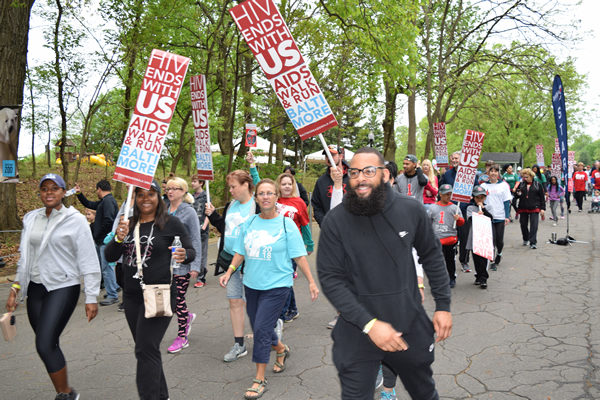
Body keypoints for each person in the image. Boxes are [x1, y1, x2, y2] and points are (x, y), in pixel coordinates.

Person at [317, 147, 452, 400]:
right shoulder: (335, 221)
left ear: (385, 174)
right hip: (356, 330)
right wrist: (370, 324)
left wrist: (443, 305)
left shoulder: (410, 210)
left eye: (369, 171)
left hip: (408, 325)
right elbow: (330, 278)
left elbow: (432, 256)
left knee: (424, 392)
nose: (360, 178)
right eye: (354, 172)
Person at [219, 179, 319, 399]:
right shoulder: (249, 223)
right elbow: (240, 252)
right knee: (261, 327)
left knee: (262, 330)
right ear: (256, 198)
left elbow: (299, 255)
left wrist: (311, 281)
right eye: (261, 193)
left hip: (278, 286)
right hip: (252, 285)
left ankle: (259, 379)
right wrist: (229, 271)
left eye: (270, 193)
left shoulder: (286, 224)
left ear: (276, 198)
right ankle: (281, 349)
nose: (265, 197)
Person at [6, 173, 100, 400]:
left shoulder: (75, 219)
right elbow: (26, 256)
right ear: (40, 192)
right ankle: (64, 390)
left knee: (45, 343)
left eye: (54, 188)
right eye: (44, 188)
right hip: (36, 288)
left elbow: (88, 257)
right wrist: (16, 286)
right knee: (47, 343)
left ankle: (66, 394)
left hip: (63, 286)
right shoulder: (31, 218)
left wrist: (91, 296)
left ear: (63, 192)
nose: (49, 192)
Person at [105, 179, 195, 400]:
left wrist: (184, 254)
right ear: (134, 198)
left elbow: (190, 251)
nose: (146, 199)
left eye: (151, 194)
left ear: (158, 198)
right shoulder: (128, 223)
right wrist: (118, 237)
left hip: (160, 294)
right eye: (140, 194)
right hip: (132, 297)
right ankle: (161, 395)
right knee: (147, 350)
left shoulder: (171, 223)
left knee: (144, 349)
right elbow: (109, 256)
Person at [206, 170, 257, 362]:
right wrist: (213, 216)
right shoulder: (231, 205)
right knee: (235, 301)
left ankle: (271, 331)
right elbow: (224, 229)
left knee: (256, 302)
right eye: (230, 186)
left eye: (233, 186)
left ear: (246, 185)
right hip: (230, 261)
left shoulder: (256, 206)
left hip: (252, 262)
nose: (231, 190)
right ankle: (239, 344)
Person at [164, 177, 203, 353]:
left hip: (182, 263)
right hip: (164, 264)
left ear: (183, 191)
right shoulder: (163, 209)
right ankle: (186, 317)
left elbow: (196, 238)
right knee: (170, 300)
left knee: (178, 299)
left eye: (175, 188)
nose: (170, 191)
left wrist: (195, 265)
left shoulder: (189, 212)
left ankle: (182, 336)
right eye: (168, 188)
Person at [274, 173, 314, 322]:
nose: (286, 186)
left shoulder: (299, 203)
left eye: (289, 184)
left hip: (291, 246)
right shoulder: (274, 199)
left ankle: (283, 314)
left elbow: (305, 224)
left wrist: (309, 244)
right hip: (276, 245)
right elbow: (260, 186)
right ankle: (293, 309)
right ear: (278, 185)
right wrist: (252, 167)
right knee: (284, 279)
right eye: (283, 184)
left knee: (285, 279)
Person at [75, 179, 119, 306]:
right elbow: (89, 204)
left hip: (105, 241)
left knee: (107, 268)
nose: (96, 192)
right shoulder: (104, 202)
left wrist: (98, 234)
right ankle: (112, 288)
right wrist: (79, 194)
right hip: (101, 240)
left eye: (97, 190)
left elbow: (109, 221)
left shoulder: (109, 202)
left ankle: (112, 294)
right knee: (104, 267)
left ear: (99, 189)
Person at [440, 151, 478, 273]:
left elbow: (476, 190)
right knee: (449, 236)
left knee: (465, 237)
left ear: (462, 160)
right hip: (450, 209)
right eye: (453, 158)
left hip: (465, 210)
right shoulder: (447, 175)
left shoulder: (470, 175)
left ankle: (464, 261)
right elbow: (441, 189)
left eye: (457, 158)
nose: (454, 160)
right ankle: (448, 259)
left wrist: (473, 199)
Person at [428, 184, 464, 288]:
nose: (448, 196)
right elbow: (428, 222)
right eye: (446, 194)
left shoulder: (454, 208)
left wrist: (458, 219)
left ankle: (451, 277)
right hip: (437, 239)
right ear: (440, 194)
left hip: (450, 239)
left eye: (450, 194)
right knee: (437, 261)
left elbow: (461, 223)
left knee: (450, 260)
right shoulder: (433, 207)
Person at [480, 164, 512, 270]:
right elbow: (479, 199)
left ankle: (500, 252)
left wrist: (507, 216)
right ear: (488, 173)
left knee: (499, 240)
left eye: (495, 171)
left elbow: (507, 201)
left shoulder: (503, 185)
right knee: (491, 240)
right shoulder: (484, 186)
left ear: (498, 173)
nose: (493, 173)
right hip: (488, 217)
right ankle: (492, 260)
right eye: (491, 171)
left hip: (500, 216)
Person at [311, 145, 349, 226]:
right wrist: (325, 224)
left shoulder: (352, 177)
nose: (329, 158)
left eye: (332, 155)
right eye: (327, 155)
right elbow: (317, 207)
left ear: (341, 156)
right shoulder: (321, 181)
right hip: (329, 230)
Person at [465, 186, 494, 288]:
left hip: (484, 236)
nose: (479, 200)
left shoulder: (489, 207)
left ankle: (484, 278)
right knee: (476, 258)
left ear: (485, 198)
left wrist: (484, 210)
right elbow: (470, 219)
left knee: (483, 258)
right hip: (474, 236)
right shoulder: (470, 208)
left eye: (482, 197)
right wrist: (477, 214)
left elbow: (490, 217)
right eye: (477, 197)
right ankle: (478, 275)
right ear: (473, 198)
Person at [515, 168, 546, 249]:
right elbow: (516, 195)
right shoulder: (521, 184)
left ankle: (533, 242)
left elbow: (542, 198)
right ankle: (526, 238)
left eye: (526, 177)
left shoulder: (538, 184)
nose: (524, 179)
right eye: (523, 177)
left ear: (531, 176)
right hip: (523, 207)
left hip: (535, 207)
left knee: (534, 225)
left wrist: (542, 208)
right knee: (523, 224)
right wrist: (517, 193)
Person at [191, 176, 210, 288]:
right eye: (192, 181)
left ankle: (201, 278)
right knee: (193, 253)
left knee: (202, 254)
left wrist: (204, 226)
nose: (192, 183)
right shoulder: (191, 197)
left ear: (201, 183)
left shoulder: (206, 196)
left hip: (202, 230)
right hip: (192, 230)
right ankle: (197, 270)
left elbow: (209, 212)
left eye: (195, 181)